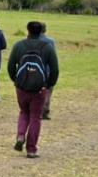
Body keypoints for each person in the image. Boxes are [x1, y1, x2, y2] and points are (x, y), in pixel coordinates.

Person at [7, 21, 59, 158]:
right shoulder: (47, 47)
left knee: (24, 112)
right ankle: (31, 149)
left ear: (28, 30)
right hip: (39, 89)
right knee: (36, 117)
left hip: (21, 87)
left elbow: (11, 65)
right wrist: (48, 85)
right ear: (42, 31)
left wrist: (16, 80)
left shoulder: (19, 45)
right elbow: (55, 69)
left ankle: (20, 136)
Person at [40, 23, 56, 120]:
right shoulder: (50, 41)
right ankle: (45, 111)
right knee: (48, 91)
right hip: (47, 70)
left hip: (34, 70)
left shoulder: (31, 41)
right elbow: (53, 59)